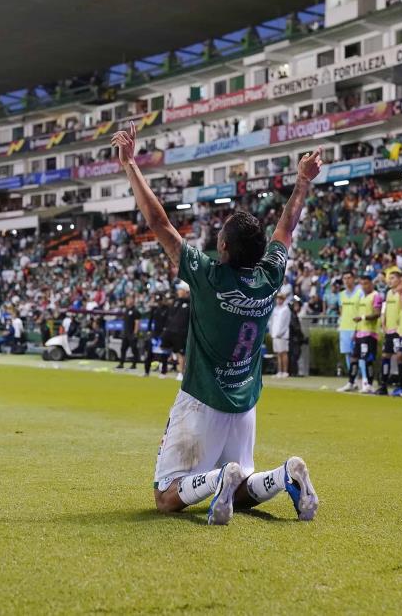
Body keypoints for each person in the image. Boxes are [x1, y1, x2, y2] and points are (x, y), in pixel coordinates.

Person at [112, 122, 320, 525]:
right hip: (244, 404)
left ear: (223, 247)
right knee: (242, 490)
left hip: (202, 399)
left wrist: (130, 165)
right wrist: (301, 182)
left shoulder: (207, 277)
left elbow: (159, 223)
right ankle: (284, 476)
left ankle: (216, 479)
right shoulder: (268, 277)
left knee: (166, 496)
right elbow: (287, 226)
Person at [350, 275, 383, 393]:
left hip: (369, 333)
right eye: (362, 284)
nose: (364, 286)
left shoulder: (376, 296)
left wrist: (362, 317)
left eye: (366, 284)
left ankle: (369, 384)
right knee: (354, 358)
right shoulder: (361, 297)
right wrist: (355, 331)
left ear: (371, 284)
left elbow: (377, 313)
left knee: (367, 359)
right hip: (359, 333)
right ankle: (351, 382)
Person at [377, 269, 402, 396]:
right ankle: (383, 385)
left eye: (392, 278)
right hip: (389, 330)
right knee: (385, 356)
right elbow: (384, 310)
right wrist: (384, 324)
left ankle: (401, 385)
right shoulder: (388, 293)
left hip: (400, 331)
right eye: (389, 278)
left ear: (399, 279)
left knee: (400, 357)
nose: (389, 280)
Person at [162, 282, 191, 381]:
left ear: (186, 291)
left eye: (180, 290)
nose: (178, 291)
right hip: (172, 331)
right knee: (167, 349)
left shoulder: (190, 303)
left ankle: (181, 373)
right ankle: (164, 369)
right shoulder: (176, 302)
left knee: (181, 354)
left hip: (182, 332)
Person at [336, 273, 361, 384]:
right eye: (344, 278)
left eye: (349, 278)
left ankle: (363, 379)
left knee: (357, 355)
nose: (346, 280)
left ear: (354, 279)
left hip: (356, 327)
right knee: (348, 354)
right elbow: (341, 311)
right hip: (344, 327)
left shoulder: (360, 293)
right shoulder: (341, 295)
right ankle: (353, 380)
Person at [115, 294, 140, 370]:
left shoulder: (135, 311)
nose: (127, 301)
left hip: (132, 333)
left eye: (129, 300)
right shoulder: (126, 310)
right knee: (123, 349)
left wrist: (135, 333)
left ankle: (134, 364)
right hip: (126, 333)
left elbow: (137, 323)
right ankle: (121, 363)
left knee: (134, 349)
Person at [269, 292, 291, 379]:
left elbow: (285, 324)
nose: (279, 300)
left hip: (283, 335)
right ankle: (279, 371)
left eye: (281, 298)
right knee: (278, 354)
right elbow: (272, 322)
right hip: (275, 334)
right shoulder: (275, 309)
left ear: (283, 300)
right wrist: (272, 332)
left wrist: (280, 333)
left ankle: (285, 372)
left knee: (284, 353)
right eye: (278, 298)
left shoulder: (286, 309)